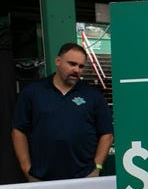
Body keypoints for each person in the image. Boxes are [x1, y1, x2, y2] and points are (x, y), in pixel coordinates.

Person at [11, 43, 113, 181]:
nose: (76, 70)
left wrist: (97, 168)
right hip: (42, 178)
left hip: (84, 177)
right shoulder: (33, 92)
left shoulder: (93, 95)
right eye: (72, 64)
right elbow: (18, 131)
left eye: (81, 66)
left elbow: (107, 134)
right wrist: (26, 168)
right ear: (58, 61)